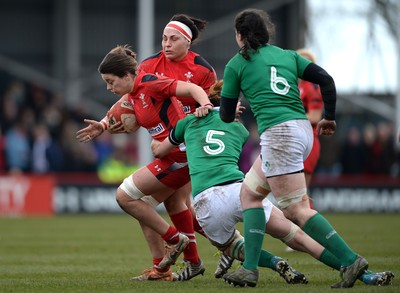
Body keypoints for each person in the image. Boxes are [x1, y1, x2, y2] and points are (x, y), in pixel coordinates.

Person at [153, 80, 394, 287]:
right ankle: (364, 275)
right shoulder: (239, 130)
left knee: (229, 246)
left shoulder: (187, 123)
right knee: (297, 236)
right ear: (230, 103)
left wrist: (157, 139)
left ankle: (273, 262)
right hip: (238, 189)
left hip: (207, 201)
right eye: (237, 102)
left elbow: (161, 150)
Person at [218, 8, 385, 288]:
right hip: (301, 130)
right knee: (249, 194)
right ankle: (249, 269)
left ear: (240, 36)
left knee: (296, 210)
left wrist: (234, 107)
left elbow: (224, 115)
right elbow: (327, 81)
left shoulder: (237, 63)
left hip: (280, 134)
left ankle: (350, 260)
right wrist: (329, 117)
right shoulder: (287, 55)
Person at [76, 45, 213, 281]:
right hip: (172, 155)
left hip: (180, 156)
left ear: (127, 75)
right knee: (148, 207)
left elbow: (191, 87)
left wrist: (206, 106)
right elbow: (117, 111)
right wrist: (103, 125)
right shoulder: (134, 92)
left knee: (124, 196)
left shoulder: (150, 83)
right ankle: (162, 268)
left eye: (111, 81)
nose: (109, 87)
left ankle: (175, 239)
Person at [134, 14, 233, 281]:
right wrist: (110, 120)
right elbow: (134, 97)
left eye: (173, 39)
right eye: (164, 38)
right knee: (177, 203)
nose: (166, 44)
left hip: (191, 146)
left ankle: (169, 265)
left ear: (187, 42)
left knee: (143, 202)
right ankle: (228, 247)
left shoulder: (202, 70)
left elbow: (212, 107)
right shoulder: (149, 64)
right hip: (169, 144)